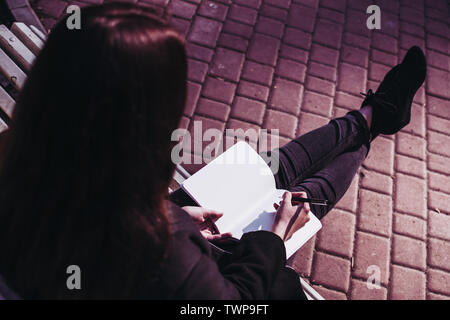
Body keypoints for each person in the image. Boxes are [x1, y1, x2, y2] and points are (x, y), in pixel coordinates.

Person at [0, 2, 426, 299]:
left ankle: (371, 117)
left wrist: (174, 217)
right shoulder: (164, 263)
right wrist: (273, 239)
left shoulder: (18, 159)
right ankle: (373, 121)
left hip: (144, 231)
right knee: (295, 203)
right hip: (198, 266)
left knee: (268, 173)